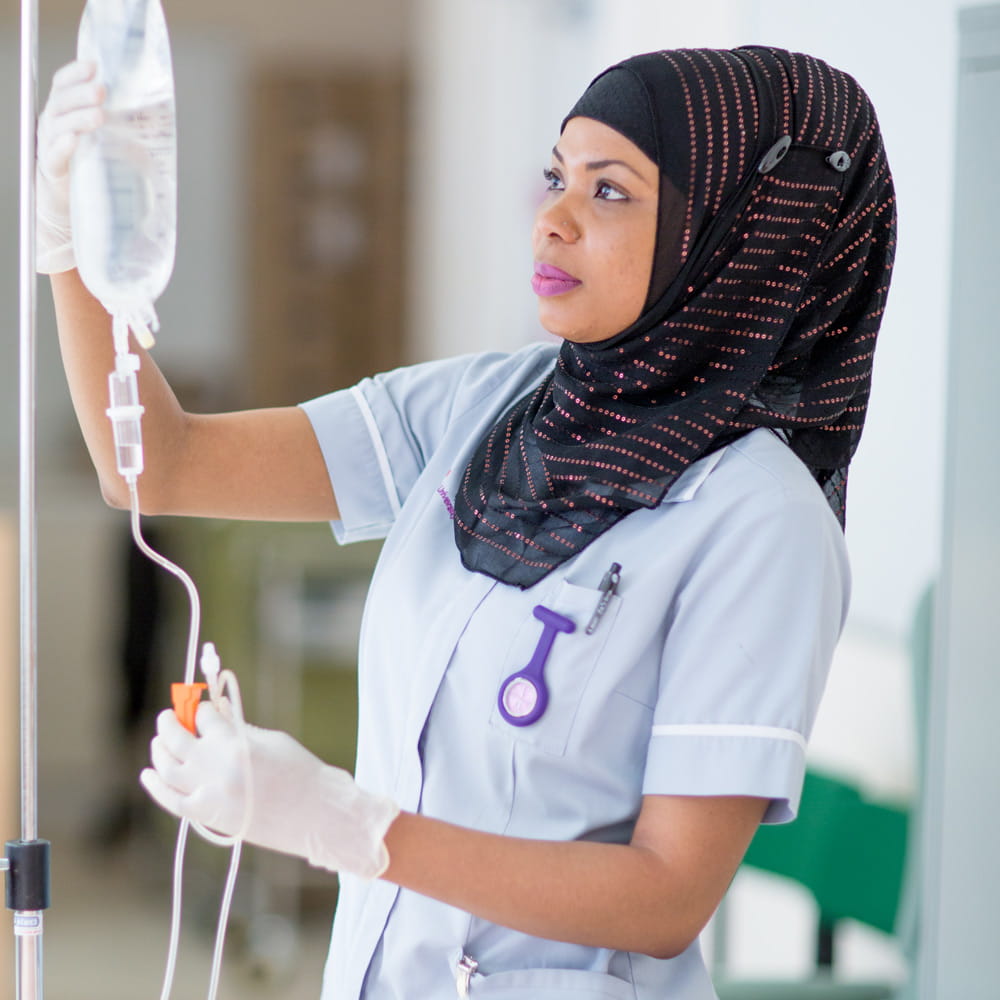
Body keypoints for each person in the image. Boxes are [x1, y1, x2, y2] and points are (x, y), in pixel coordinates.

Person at [37, 45, 896, 1000]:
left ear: (740, 236)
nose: (553, 221)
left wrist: (352, 829)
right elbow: (154, 462)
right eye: (555, 177)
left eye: (609, 193)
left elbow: (665, 897)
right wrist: (75, 250)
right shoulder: (488, 407)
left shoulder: (759, 517)